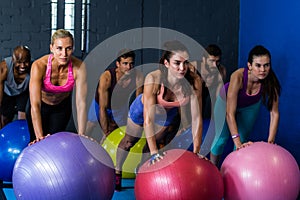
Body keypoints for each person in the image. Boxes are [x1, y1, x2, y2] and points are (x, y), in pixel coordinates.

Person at [114, 40, 203, 191]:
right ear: (166, 63)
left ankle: (141, 172)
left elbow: (196, 118)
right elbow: (148, 119)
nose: (182, 68)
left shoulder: (194, 81)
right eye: (177, 63)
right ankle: (117, 171)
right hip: (143, 110)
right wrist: (156, 152)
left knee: (151, 146)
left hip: (167, 114)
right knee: (129, 141)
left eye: (185, 63)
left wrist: (196, 151)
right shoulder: (153, 78)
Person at [210, 45, 281, 167]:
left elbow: (274, 113)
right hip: (225, 103)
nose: (263, 70)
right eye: (258, 65)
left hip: (249, 106)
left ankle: (232, 172)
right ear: (249, 65)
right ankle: (213, 168)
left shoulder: (271, 82)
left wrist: (271, 141)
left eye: (266, 65)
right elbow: (229, 113)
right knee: (220, 140)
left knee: (243, 141)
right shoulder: (238, 76)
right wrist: (236, 141)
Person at [26, 29, 87, 143]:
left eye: (68, 48)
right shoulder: (39, 66)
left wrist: (82, 133)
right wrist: (39, 136)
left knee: (54, 143)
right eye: (59, 48)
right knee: (37, 143)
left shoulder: (79, 67)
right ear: (51, 48)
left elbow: (81, 103)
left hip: (61, 108)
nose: (64, 54)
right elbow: (35, 104)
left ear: (73, 48)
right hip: (41, 107)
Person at [90, 49, 144, 142]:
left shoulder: (138, 77)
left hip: (119, 106)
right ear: (118, 64)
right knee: (91, 124)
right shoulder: (106, 77)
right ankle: (81, 143)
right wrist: (106, 132)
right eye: (125, 63)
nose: (129, 67)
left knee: (118, 131)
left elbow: (138, 104)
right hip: (100, 104)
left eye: (131, 63)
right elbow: (103, 108)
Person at [190, 44, 226, 119]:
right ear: (204, 59)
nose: (215, 65)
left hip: (206, 97)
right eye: (212, 61)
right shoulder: (193, 67)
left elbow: (218, 97)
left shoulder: (221, 71)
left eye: (217, 61)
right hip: (190, 97)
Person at [0, 46, 31, 128]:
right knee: (5, 119)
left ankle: (22, 138)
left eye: (26, 62)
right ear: (13, 60)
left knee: (22, 118)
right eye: (19, 62)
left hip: (23, 92)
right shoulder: (4, 67)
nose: (23, 66)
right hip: (7, 93)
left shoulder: (34, 68)